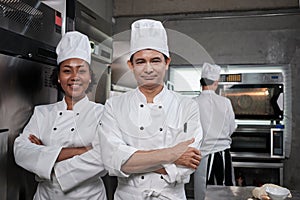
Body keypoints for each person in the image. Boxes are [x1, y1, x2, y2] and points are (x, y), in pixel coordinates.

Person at [98, 19, 203, 200]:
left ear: (166, 62)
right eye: (140, 62)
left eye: (155, 60)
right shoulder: (114, 106)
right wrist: (172, 154)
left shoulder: (187, 106)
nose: (148, 69)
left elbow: (186, 167)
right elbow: (111, 162)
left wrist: (131, 159)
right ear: (131, 65)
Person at [13, 31, 107, 200]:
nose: (74, 77)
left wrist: (44, 156)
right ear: (58, 78)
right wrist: (83, 150)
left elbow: (104, 158)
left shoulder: (103, 114)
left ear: (89, 77)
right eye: (67, 71)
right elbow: (20, 151)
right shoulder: (42, 113)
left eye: (81, 70)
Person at [193, 62, 237, 199]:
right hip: (222, 153)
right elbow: (232, 127)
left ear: (201, 83)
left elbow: (188, 132)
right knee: (224, 192)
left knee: (203, 193)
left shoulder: (193, 102)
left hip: (202, 155)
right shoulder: (225, 102)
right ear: (216, 83)